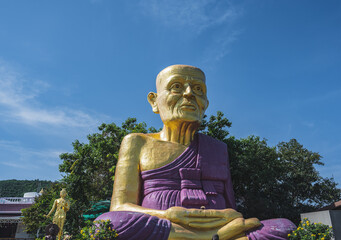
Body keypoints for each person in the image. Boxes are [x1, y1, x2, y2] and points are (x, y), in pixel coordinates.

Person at [96, 65, 295, 240]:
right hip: (165, 226)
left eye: (198, 89)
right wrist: (169, 215)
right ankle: (212, 238)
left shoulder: (218, 148)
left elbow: (232, 209)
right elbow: (120, 207)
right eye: (177, 86)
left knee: (284, 228)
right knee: (109, 223)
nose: (189, 94)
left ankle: (210, 236)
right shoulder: (137, 142)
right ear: (154, 101)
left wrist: (230, 217)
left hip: (218, 225)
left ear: (205, 103)